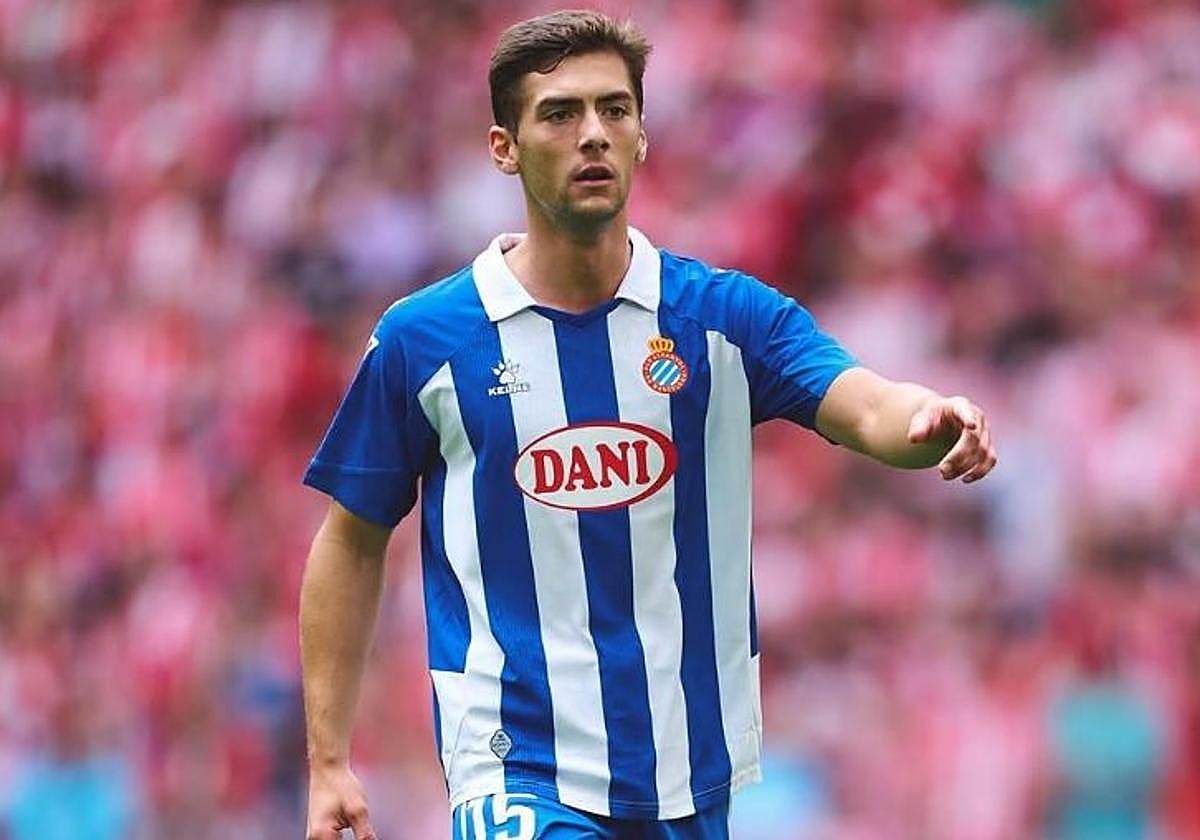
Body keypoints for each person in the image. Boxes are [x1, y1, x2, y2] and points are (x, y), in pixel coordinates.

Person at [299, 10, 997, 840]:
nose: (593, 133)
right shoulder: (427, 341)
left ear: (641, 137)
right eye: (561, 114)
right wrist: (329, 761)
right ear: (504, 148)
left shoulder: (724, 319)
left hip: (687, 775)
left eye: (614, 109)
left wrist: (932, 419)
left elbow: (869, 407)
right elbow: (351, 539)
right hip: (515, 767)